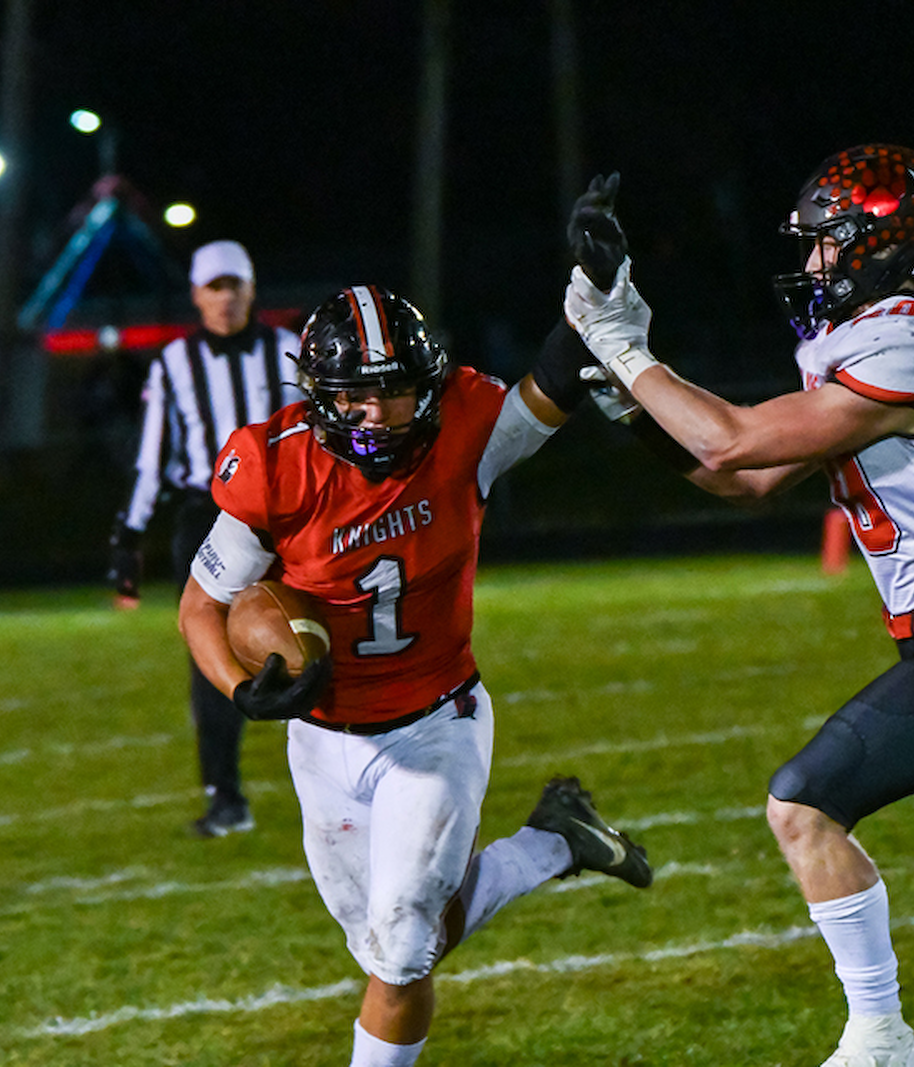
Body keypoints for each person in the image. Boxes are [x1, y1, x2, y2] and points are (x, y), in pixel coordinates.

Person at [561, 145, 914, 1067]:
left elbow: (732, 440)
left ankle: (881, 1038)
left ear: (884, 246)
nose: (815, 261)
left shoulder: (911, 338)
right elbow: (743, 479)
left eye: (829, 243)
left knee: (802, 805)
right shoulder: (876, 340)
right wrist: (632, 406)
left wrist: (624, 346)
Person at [177, 284, 653, 1067]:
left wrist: (595, 289)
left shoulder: (464, 429)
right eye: (355, 395)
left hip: (435, 723)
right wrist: (239, 687)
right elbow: (203, 604)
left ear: (427, 387)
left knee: (401, 948)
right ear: (321, 395)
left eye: (395, 392)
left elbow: (553, 382)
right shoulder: (276, 464)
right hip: (323, 739)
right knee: (385, 946)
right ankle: (555, 843)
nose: (376, 414)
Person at [109, 239, 303, 838]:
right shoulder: (174, 363)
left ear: (251, 288)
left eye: (234, 285)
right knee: (210, 655)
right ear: (196, 294)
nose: (225, 298)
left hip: (287, 516)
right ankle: (226, 795)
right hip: (208, 516)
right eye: (214, 287)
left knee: (313, 637)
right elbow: (151, 458)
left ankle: (349, 779)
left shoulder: (289, 350)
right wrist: (128, 536)